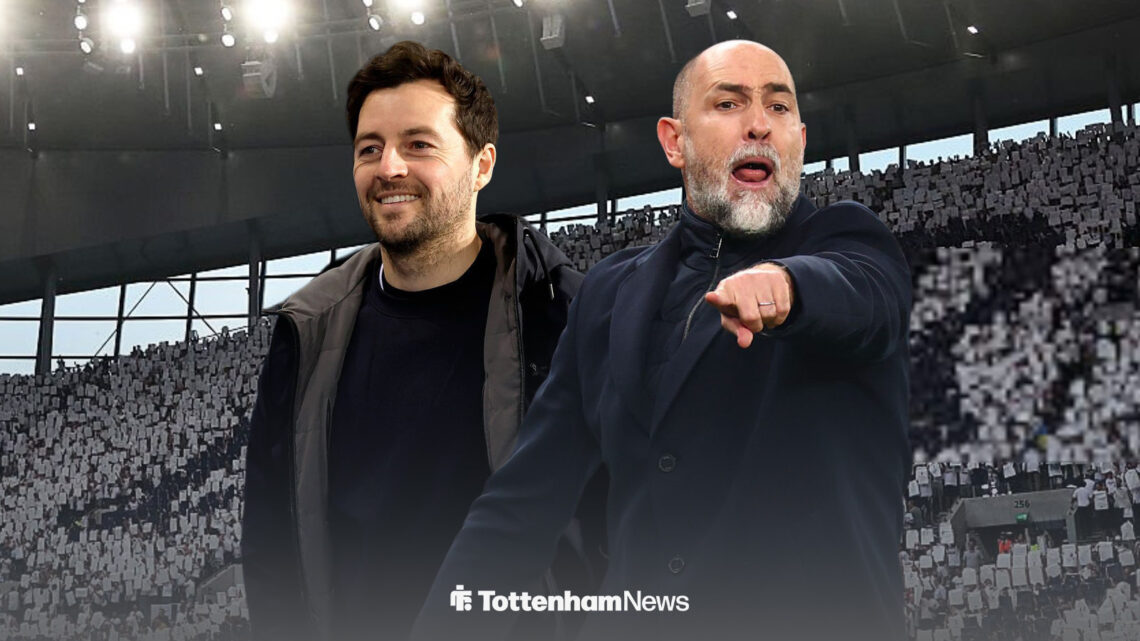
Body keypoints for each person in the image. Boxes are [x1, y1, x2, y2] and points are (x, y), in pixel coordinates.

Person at [412, 39, 912, 641]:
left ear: (800, 141)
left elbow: (866, 296)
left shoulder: (849, 239)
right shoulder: (607, 295)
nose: (758, 124)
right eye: (729, 104)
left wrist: (789, 287)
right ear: (675, 141)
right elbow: (521, 504)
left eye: (778, 109)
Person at [240, 41, 600, 641]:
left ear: (482, 165)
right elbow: (272, 545)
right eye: (369, 149)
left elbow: (617, 516)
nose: (389, 168)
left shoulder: (562, 313)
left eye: (418, 144)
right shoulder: (304, 334)